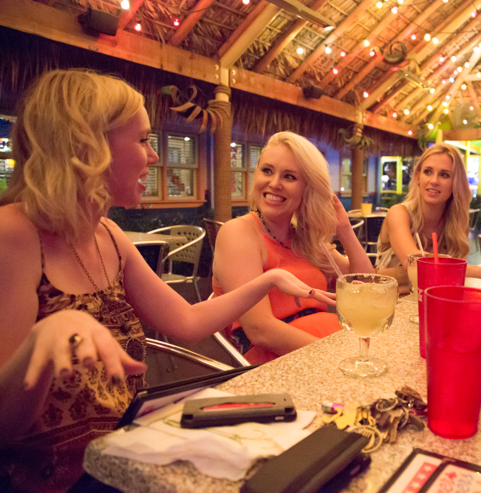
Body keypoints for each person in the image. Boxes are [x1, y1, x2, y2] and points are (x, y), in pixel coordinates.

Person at [0, 70, 333, 492]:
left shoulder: (109, 235)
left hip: (128, 453)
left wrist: (268, 282)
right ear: (86, 146)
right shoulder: (14, 234)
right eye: (142, 140)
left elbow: (187, 323)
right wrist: (43, 340)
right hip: (60, 479)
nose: (155, 157)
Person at [212, 132, 374, 365]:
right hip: (283, 364)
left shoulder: (305, 240)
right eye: (267, 171)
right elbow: (260, 330)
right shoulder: (239, 233)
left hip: (329, 351)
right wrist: (335, 357)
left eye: (289, 176)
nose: (274, 183)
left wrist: (345, 230)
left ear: (307, 188)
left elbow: (365, 286)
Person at [376, 143, 481, 281]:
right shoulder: (399, 213)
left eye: (444, 175)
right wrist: (480, 271)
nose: (434, 181)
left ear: (455, 183)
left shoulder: (457, 224)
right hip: (388, 300)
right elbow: (414, 264)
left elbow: (451, 280)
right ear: (418, 177)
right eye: (428, 172)